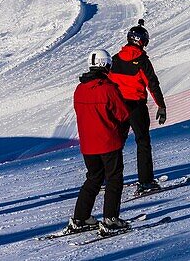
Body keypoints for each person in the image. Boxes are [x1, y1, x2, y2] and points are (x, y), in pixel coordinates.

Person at [68, 50, 132, 237]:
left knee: (93, 178)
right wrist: (122, 134)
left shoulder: (80, 89)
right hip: (108, 142)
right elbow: (122, 114)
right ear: (106, 65)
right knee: (113, 179)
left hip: (88, 145)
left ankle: (81, 217)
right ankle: (110, 219)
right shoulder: (108, 88)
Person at [109, 19, 167, 195]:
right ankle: (146, 181)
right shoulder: (142, 60)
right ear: (142, 41)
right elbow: (152, 84)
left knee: (116, 142)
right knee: (142, 142)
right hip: (136, 106)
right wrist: (161, 106)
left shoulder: (115, 59)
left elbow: (108, 83)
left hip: (118, 106)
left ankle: (112, 178)